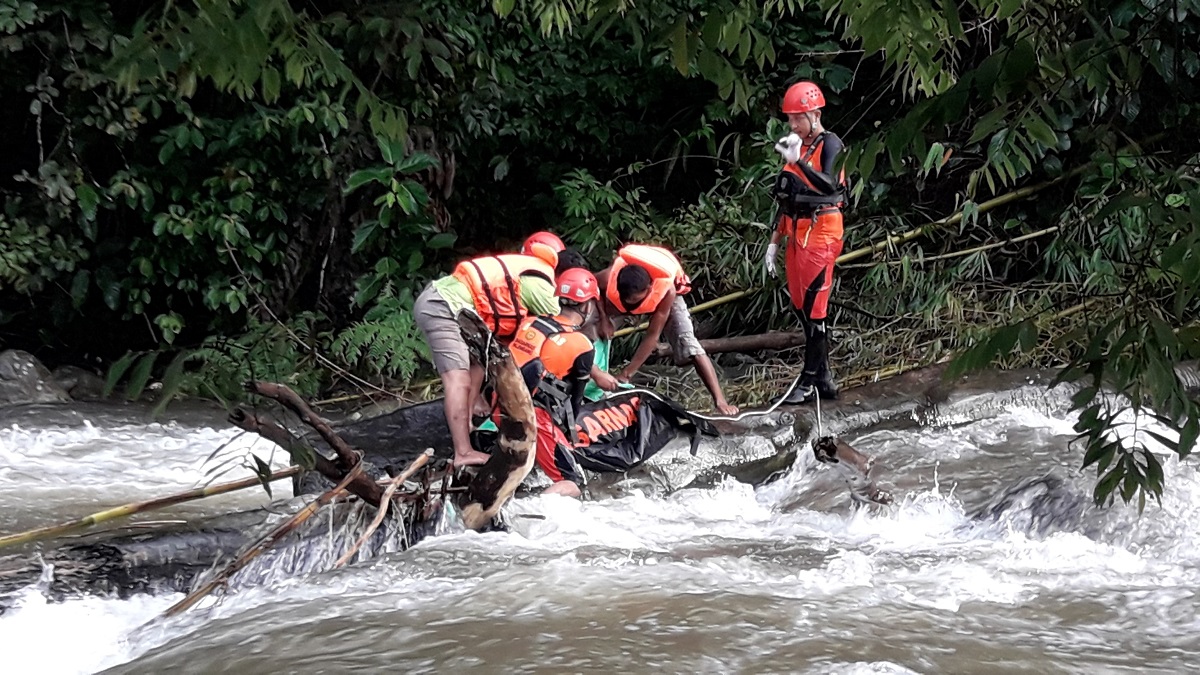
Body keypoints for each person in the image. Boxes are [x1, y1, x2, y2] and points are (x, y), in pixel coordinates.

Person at [414, 240, 560, 467]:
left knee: (477, 367)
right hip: (442, 306)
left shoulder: (529, 269)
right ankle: (463, 452)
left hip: (453, 305)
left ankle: (468, 424)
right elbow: (562, 325)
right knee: (458, 380)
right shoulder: (541, 284)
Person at [762, 81, 849, 404]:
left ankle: (809, 379)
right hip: (795, 231)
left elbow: (830, 184)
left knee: (815, 308)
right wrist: (774, 242)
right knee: (802, 307)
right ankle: (824, 376)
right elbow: (785, 197)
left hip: (822, 230)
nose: (793, 124)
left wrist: (798, 161)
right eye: (791, 119)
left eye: (798, 118)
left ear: (815, 114)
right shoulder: (797, 145)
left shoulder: (830, 144)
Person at [595, 244, 739, 416]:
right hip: (617, 302)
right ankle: (592, 383)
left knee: (689, 344)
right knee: (593, 329)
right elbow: (588, 288)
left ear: (648, 289)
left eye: (636, 300)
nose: (632, 304)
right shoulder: (607, 277)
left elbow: (652, 335)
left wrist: (626, 373)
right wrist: (604, 320)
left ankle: (720, 401)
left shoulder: (666, 290)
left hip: (663, 301)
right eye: (629, 301)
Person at [506, 267, 600, 497]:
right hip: (533, 418)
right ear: (587, 305)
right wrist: (568, 436)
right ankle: (532, 508)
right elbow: (575, 400)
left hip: (500, 406)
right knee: (574, 483)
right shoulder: (583, 345)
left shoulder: (530, 323)